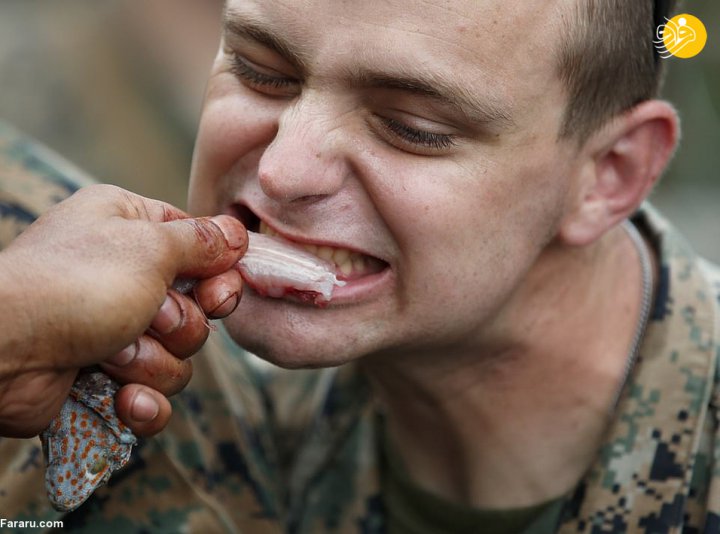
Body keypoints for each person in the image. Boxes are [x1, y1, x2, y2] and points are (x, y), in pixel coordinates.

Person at [0, 1, 718, 533]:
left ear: (610, 175)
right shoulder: (110, 367)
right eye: (261, 72)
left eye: (413, 128)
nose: (283, 171)